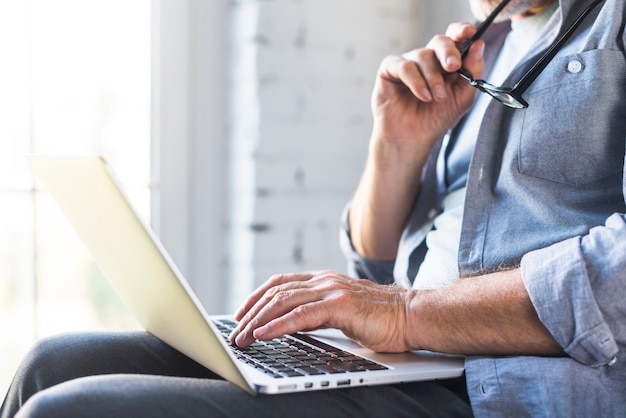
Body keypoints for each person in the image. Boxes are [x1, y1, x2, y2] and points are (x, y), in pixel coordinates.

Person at [2, 0, 625, 416]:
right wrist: (396, 146)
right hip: (401, 359)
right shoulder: (486, 45)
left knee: (71, 411)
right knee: (49, 365)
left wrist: (403, 312)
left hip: (495, 387)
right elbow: (375, 265)